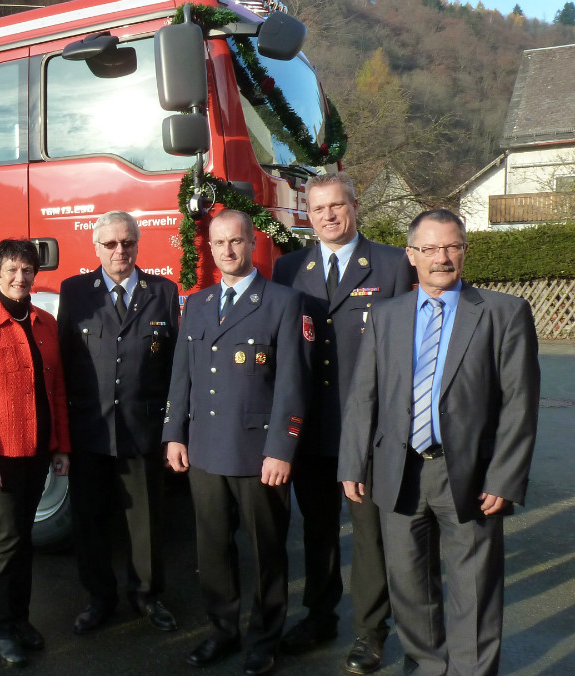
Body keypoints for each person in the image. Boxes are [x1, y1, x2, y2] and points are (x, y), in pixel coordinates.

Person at [339, 209, 540, 676]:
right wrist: (352, 463)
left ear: (465, 251)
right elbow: (363, 394)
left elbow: (520, 403)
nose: (441, 258)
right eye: (429, 248)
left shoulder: (504, 313)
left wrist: (505, 477)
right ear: (411, 255)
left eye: (451, 246)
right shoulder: (386, 315)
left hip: (470, 474)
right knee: (409, 587)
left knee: (474, 588)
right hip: (399, 471)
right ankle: (428, 667)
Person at [271, 172, 414, 674]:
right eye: (318, 209)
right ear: (307, 216)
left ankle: (371, 631)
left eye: (337, 206)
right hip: (311, 426)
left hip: (369, 429)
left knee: (369, 533)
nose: (328, 216)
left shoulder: (393, 264)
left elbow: (405, 351)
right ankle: (320, 616)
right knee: (317, 529)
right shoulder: (289, 267)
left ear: (354, 206)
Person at [164, 209, 312, 676]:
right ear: (210, 249)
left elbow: (293, 383)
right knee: (212, 549)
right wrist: (174, 434)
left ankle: (264, 639)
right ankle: (222, 630)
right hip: (205, 450)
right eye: (219, 243)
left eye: (236, 241)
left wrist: (281, 449)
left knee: (266, 551)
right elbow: (182, 376)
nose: (227, 251)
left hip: (257, 454)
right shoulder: (198, 303)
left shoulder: (283, 302)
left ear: (251, 243)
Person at [57, 210, 180, 635]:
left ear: (137, 245)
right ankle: (99, 598)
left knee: (146, 524)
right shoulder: (75, 292)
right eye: (110, 244)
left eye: (127, 242)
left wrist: (173, 431)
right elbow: (64, 363)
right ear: (96, 247)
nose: (119, 251)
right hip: (89, 431)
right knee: (90, 522)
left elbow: (175, 369)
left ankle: (147, 596)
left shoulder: (163, 292)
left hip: (142, 431)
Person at [0, 238, 72, 666]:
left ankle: (21, 619)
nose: (20, 278)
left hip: (37, 451)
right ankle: (0, 628)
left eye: (27, 270)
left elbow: (56, 389)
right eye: (11, 270)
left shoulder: (45, 322)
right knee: (5, 542)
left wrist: (61, 446)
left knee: (24, 540)